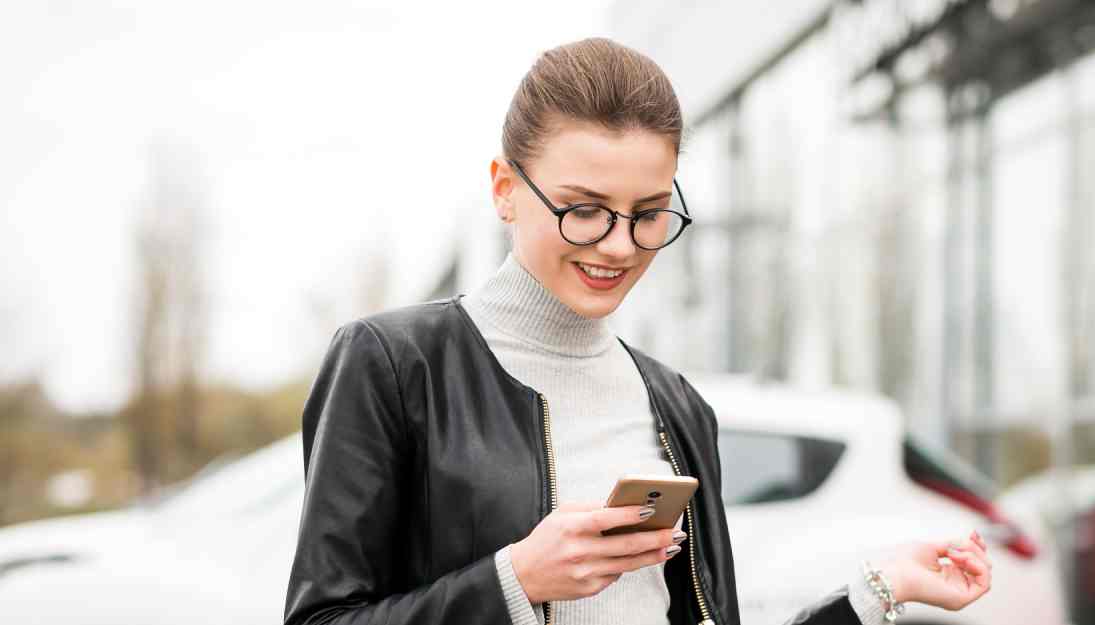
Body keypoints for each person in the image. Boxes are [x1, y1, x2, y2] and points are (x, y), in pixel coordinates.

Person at [283, 37, 991, 625]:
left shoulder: (676, 404)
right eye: (583, 209)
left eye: (649, 212)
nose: (619, 246)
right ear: (505, 188)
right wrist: (516, 578)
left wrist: (881, 586)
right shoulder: (392, 365)